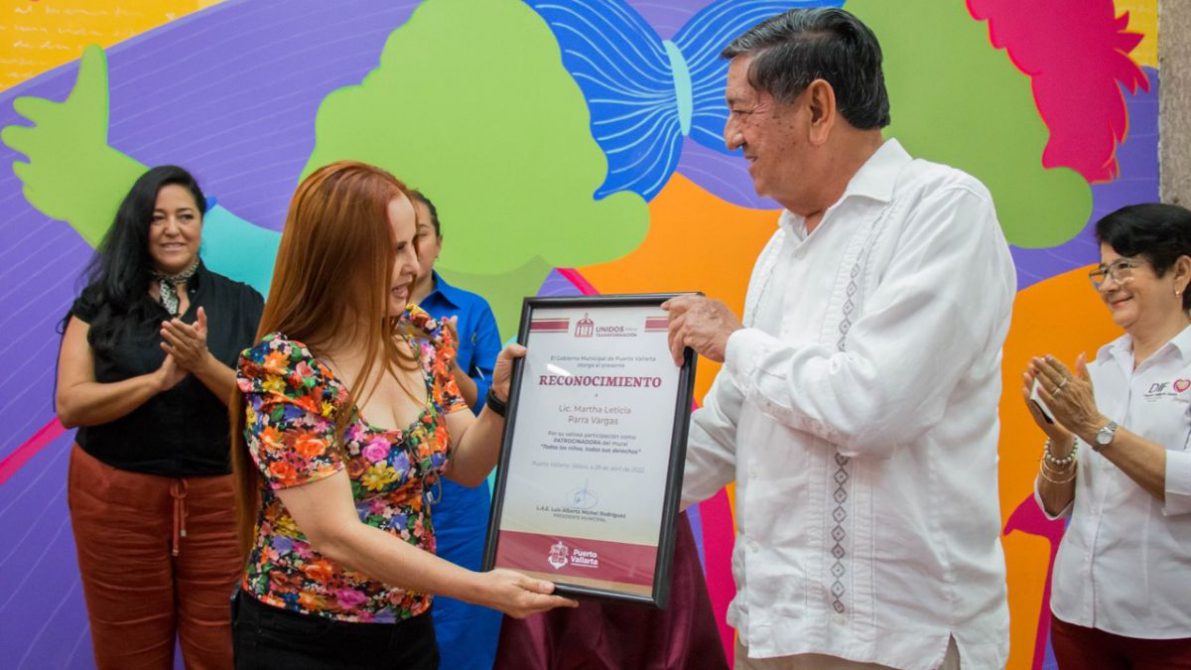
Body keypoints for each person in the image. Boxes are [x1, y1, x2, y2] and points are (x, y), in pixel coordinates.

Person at [663, 8, 1015, 669]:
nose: (730, 136)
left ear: (817, 108)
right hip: (774, 622)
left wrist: (735, 341)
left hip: (895, 637)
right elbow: (732, 424)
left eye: (741, 111)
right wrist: (593, 492)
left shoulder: (942, 209)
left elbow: (872, 406)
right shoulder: (781, 247)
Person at [229, 160, 575, 669]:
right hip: (304, 635)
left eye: (415, 244)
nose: (413, 265)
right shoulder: (285, 371)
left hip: (408, 629)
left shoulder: (419, 338)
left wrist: (500, 400)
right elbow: (336, 533)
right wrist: (480, 588)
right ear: (339, 255)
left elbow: (466, 463)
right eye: (394, 250)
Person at [56, 165, 264, 669]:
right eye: (157, 217)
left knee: (222, 649)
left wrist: (202, 364)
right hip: (115, 504)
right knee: (126, 651)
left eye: (185, 216)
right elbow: (70, 405)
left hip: (221, 503)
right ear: (138, 226)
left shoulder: (243, 302)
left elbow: (263, 409)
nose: (173, 229)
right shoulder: (101, 303)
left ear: (201, 224)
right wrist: (155, 382)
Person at [1024, 203, 1191, 668]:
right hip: (1079, 614)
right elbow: (1055, 506)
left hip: (1171, 625)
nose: (1109, 284)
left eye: (1124, 266)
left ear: (1180, 272)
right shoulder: (1099, 368)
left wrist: (1095, 428)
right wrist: (1061, 441)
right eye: (1103, 271)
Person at [407, 189, 505, 668]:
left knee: (464, 627)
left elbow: (493, 406)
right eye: (395, 240)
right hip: (388, 496)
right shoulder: (356, 317)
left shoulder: (470, 310)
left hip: (458, 501)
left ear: (438, 243)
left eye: (419, 236)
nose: (409, 252)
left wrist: (446, 366)